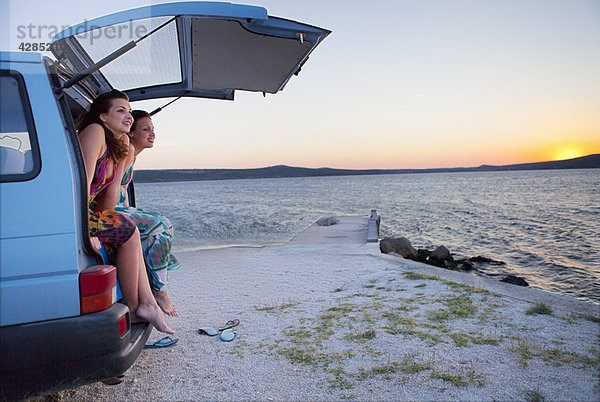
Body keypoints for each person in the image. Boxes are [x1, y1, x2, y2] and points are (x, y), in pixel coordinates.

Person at [77, 90, 174, 334]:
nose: (128, 115)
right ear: (103, 116)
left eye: (129, 111)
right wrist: (85, 227)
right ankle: (136, 307)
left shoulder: (118, 143)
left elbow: (107, 204)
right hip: (71, 210)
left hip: (88, 212)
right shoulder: (95, 132)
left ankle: (147, 304)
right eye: (120, 110)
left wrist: (106, 222)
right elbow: (78, 185)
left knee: (126, 229)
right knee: (130, 230)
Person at [116, 110, 181, 316]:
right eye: (146, 129)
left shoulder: (132, 154)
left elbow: (123, 190)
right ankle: (159, 290)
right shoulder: (126, 150)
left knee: (157, 223)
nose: (152, 134)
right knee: (161, 225)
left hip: (118, 207)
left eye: (153, 130)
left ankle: (155, 287)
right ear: (132, 133)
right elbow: (112, 189)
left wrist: (133, 212)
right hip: (109, 210)